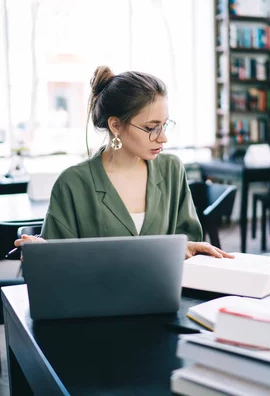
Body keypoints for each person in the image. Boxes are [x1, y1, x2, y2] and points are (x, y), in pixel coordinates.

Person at [15, 66, 233, 259]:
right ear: (116, 126)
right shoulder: (73, 182)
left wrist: (188, 248)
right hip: (97, 302)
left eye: (164, 125)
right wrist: (40, 252)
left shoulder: (172, 170)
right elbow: (57, 261)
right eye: (151, 128)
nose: (163, 137)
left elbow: (190, 241)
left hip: (165, 298)